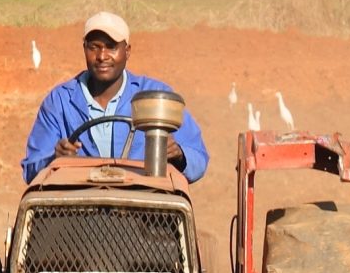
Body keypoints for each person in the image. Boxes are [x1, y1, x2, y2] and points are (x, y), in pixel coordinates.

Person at [20, 10, 209, 183]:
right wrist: (55, 158)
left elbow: (199, 159)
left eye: (111, 47)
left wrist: (179, 155)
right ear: (84, 48)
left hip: (144, 212)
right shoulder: (59, 101)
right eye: (94, 47)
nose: (102, 56)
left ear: (127, 51)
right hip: (77, 212)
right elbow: (31, 170)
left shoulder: (156, 98)